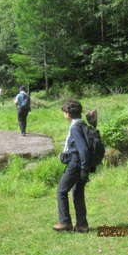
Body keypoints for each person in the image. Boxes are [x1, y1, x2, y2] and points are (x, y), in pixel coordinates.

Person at [53, 100, 90, 233]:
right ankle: (82, 225)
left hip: (76, 163)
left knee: (61, 191)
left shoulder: (75, 127)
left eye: (64, 112)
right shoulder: (82, 123)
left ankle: (65, 223)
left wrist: (83, 169)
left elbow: (83, 149)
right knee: (77, 192)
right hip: (82, 164)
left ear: (68, 113)